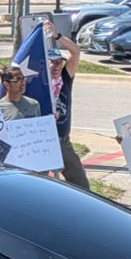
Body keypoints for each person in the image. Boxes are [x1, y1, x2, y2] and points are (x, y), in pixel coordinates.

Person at [42, 20, 90, 189]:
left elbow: (76, 52)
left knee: (80, 183)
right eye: (52, 62)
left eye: (59, 62)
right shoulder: (39, 83)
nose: (57, 66)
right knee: (40, 185)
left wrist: (57, 35)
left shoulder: (65, 79)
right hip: (42, 140)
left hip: (62, 140)